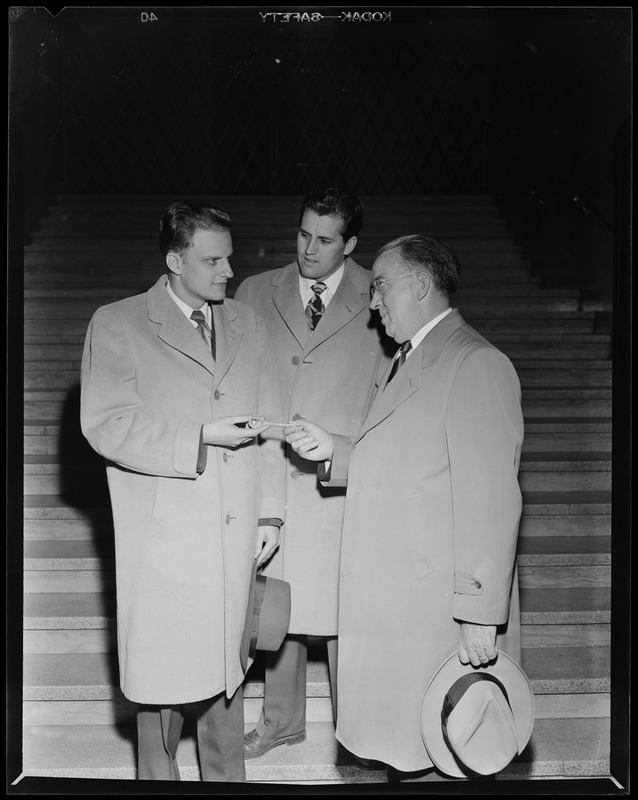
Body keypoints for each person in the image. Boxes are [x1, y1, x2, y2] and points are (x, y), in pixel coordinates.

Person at [285, 234, 524, 781]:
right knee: (408, 753)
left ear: (420, 285)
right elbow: (411, 462)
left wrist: (481, 617)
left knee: (444, 752)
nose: (372, 302)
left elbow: (490, 501)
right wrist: (337, 451)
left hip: (438, 614)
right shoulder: (406, 359)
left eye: (380, 287)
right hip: (399, 607)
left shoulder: (476, 364)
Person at [80, 201, 286, 782]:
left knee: (228, 682)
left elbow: (270, 422)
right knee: (162, 693)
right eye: (212, 259)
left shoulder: (248, 322)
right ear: (175, 260)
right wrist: (198, 438)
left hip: (235, 537)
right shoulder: (117, 323)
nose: (227, 270)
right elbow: (107, 423)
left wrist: (270, 513)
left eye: (230, 257)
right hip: (167, 545)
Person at [234, 187, 391, 758]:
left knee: (346, 607)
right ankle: (282, 721)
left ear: (350, 244)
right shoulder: (255, 291)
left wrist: (355, 453)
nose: (309, 248)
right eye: (303, 234)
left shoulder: (379, 294)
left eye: (325, 240)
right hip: (274, 467)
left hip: (340, 474)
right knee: (281, 601)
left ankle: (357, 725)